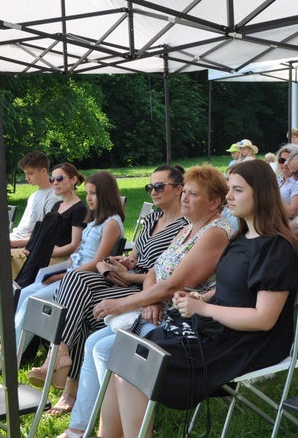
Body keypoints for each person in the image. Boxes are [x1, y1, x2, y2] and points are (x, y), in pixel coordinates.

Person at [99, 159, 298, 437]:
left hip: (248, 343)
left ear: (261, 194)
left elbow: (264, 318)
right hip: (219, 331)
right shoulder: (242, 238)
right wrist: (202, 295)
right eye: (230, 189)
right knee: (122, 358)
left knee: (134, 371)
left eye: (238, 190)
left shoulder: (276, 248)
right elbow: (230, 289)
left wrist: (203, 308)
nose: (229, 196)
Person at [55, 166, 232, 438]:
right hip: (159, 308)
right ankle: (80, 427)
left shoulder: (214, 232)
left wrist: (123, 304)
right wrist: (151, 301)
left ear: (214, 202)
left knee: (107, 351)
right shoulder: (187, 229)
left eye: (193, 194)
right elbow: (153, 271)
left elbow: (175, 285)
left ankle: (116, 429)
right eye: (185, 192)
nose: (185, 198)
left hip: (183, 319)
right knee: (94, 343)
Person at [40, 166, 190, 416]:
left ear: (179, 189)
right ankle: (64, 365)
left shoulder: (184, 227)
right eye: (150, 187)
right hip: (127, 281)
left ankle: (62, 367)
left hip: (146, 289)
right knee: (77, 281)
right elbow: (136, 255)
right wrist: (121, 262)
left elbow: (167, 275)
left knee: (83, 301)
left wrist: (130, 274)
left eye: (159, 186)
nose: (153, 191)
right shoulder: (153, 218)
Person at [12, 172, 125, 384]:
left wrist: (64, 275)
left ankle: (12, 355)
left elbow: (98, 262)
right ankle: (10, 345)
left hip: (84, 279)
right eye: (88, 193)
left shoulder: (111, 223)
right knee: (25, 292)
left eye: (94, 194)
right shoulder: (94, 220)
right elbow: (78, 255)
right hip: (73, 272)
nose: (89, 198)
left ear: (107, 195)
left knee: (31, 301)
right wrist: (58, 270)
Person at [0, 150, 60, 257]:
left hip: (23, 245)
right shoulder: (34, 195)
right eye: (25, 174)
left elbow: (46, 234)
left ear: (43, 171)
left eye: (30, 173)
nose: (26, 178)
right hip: (13, 239)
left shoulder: (53, 198)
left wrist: (14, 243)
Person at [10, 162, 87, 277]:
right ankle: (5, 294)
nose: (55, 183)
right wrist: (34, 248)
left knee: (5, 263)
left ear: (73, 180)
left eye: (60, 178)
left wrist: (44, 253)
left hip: (59, 258)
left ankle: (10, 294)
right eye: (52, 179)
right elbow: (45, 234)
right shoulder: (57, 205)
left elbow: (74, 245)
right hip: (45, 251)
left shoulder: (79, 209)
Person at [276, 144, 298, 220]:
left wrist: (268, 199)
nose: (285, 164)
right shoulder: (277, 179)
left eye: (289, 160)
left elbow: (292, 211)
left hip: (288, 225)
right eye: (282, 160)